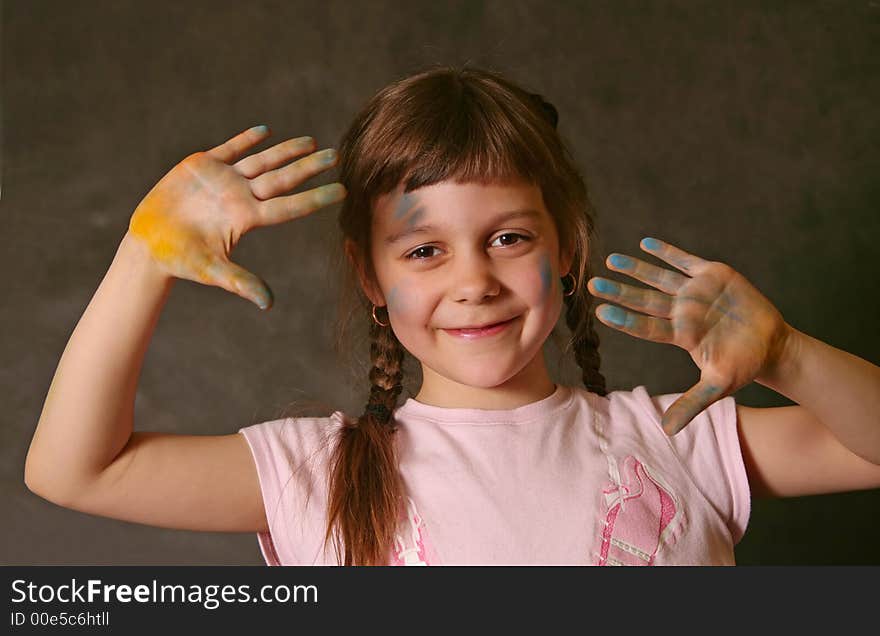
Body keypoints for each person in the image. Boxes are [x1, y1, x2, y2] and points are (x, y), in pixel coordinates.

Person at [25, 65, 880, 566]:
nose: (473, 281)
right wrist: (143, 258)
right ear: (370, 274)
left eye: (507, 237)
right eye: (425, 250)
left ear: (569, 248)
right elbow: (73, 472)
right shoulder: (314, 474)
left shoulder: (678, 441)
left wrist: (788, 354)